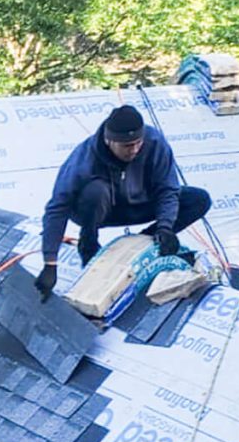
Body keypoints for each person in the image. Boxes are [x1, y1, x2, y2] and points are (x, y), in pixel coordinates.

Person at [34, 105, 212, 302]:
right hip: (99, 209)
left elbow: (168, 190)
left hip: (140, 203)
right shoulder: (84, 158)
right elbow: (57, 208)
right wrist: (50, 263)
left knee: (198, 199)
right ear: (110, 141)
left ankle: (144, 243)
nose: (134, 150)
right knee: (96, 191)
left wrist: (165, 227)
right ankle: (88, 244)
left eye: (138, 143)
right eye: (127, 146)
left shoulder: (155, 142)